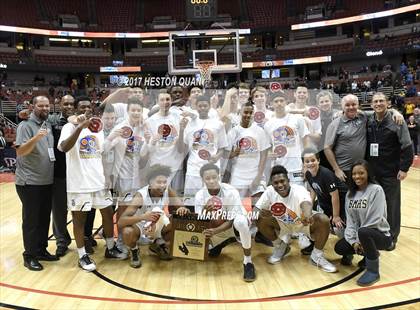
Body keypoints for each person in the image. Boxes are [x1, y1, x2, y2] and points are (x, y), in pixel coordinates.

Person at [58, 96, 126, 272]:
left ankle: (110, 248)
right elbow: (64, 147)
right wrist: (79, 127)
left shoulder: (97, 129)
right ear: (76, 109)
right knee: (79, 221)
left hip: (98, 182)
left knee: (108, 213)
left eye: (88, 107)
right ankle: (82, 256)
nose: (85, 110)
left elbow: (100, 153)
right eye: (81, 107)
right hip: (79, 184)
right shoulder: (69, 126)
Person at [255, 165, 337, 273]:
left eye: (282, 181)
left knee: (323, 220)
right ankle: (280, 246)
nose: (280, 185)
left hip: (302, 224)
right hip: (283, 225)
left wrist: (307, 215)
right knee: (259, 218)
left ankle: (316, 256)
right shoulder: (270, 191)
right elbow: (256, 208)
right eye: (276, 183)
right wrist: (251, 216)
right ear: (272, 184)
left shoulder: (299, 189)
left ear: (288, 181)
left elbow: (306, 203)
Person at [15, 95, 58, 271]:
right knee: (31, 221)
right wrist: (36, 138)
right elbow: (21, 151)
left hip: (46, 181)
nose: (45, 108)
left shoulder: (47, 123)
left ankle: (41, 250)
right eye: (40, 106)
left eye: (47, 105)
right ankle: (29, 255)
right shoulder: (24, 126)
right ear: (33, 107)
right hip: (29, 182)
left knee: (43, 218)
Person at [366, 93, 414, 248]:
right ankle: (377, 233)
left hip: (390, 172)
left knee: (391, 204)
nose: (378, 104)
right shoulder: (369, 119)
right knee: (374, 204)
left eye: (381, 101)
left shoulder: (397, 121)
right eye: (375, 101)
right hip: (372, 171)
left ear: (387, 103)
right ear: (371, 104)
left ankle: (392, 237)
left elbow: (407, 146)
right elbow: (353, 111)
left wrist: (404, 168)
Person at [118, 165, 189, 268]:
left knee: (179, 219)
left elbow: (182, 207)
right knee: (127, 232)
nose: (162, 185)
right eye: (158, 182)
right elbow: (121, 221)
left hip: (157, 224)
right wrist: (143, 217)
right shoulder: (140, 196)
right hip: (140, 227)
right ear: (150, 184)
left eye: (164, 182)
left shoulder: (168, 190)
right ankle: (134, 250)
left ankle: (158, 245)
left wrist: (182, 209)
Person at [195, 163, 256, 282]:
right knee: (205, 251)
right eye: (207, 178)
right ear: (202, 179)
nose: (211, 181)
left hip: (233, 225)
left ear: (219, 176)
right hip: (216, 225)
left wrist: (215, 231)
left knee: (240, 222)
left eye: (214, 177)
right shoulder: (199, 196)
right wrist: (204, 212)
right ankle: (220, 242)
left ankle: (248, 262)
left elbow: (232, 219)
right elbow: (199, 223)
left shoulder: (231, 191)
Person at [334, 160, 392, 286]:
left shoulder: (376, 190)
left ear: (368, 173)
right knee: (340, 248)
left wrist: (359, 239)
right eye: (354, 174)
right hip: (361, 235)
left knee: (364, 231)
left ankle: (373, 271)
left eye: (361, 173)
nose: (357, 176)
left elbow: (374, 220)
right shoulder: (350, 193)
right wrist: (353, 242)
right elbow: (351, 222)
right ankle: (367, 253)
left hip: (380, 235)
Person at [181, 95, 228, 206]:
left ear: (209, 106)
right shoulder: (189, 123)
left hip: (212, 168)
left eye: (205, 106)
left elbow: (222, 147)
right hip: (193, 167)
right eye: (200, 106)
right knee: (191, 202)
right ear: (196, 107)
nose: (202, 108)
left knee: (214, 201)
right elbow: (184, 147)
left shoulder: (218, 124)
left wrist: (216, 157)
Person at [226, 100, 269, 199]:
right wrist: (234, 153)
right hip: (237, 176)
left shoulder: (259, 131)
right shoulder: (233, 132)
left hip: (255, 175)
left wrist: (258, 176)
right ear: (240, 113)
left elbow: (264, 156)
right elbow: (226, 156)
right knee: (238, 208)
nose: (248, 115)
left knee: (258, 208)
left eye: (251, 113)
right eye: (245, 112)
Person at [50, 95, 75, 257]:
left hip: (78, 174)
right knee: (59, 211)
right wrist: (26, 113)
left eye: (71, 104)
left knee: (80, 209)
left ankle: (84, 237)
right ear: (59, 105)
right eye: (65, 103)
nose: (68, 106)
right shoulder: (52, 121)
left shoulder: (81, 121)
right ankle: (61, 241)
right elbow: (37, 117)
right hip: (59, 173)